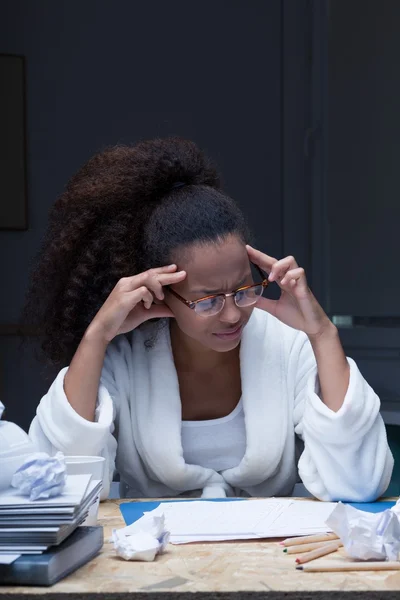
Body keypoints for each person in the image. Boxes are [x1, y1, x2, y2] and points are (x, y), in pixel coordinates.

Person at [26, 137, 393, 501]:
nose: (233, 314)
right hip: (152, 557)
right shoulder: (126, 357)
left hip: (268, 556)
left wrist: (322, 332)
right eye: (207, 301)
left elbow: (359, 483)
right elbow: (57, 487)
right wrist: (97, 336)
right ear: (161, 291)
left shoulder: (287, 345)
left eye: (245, 288)